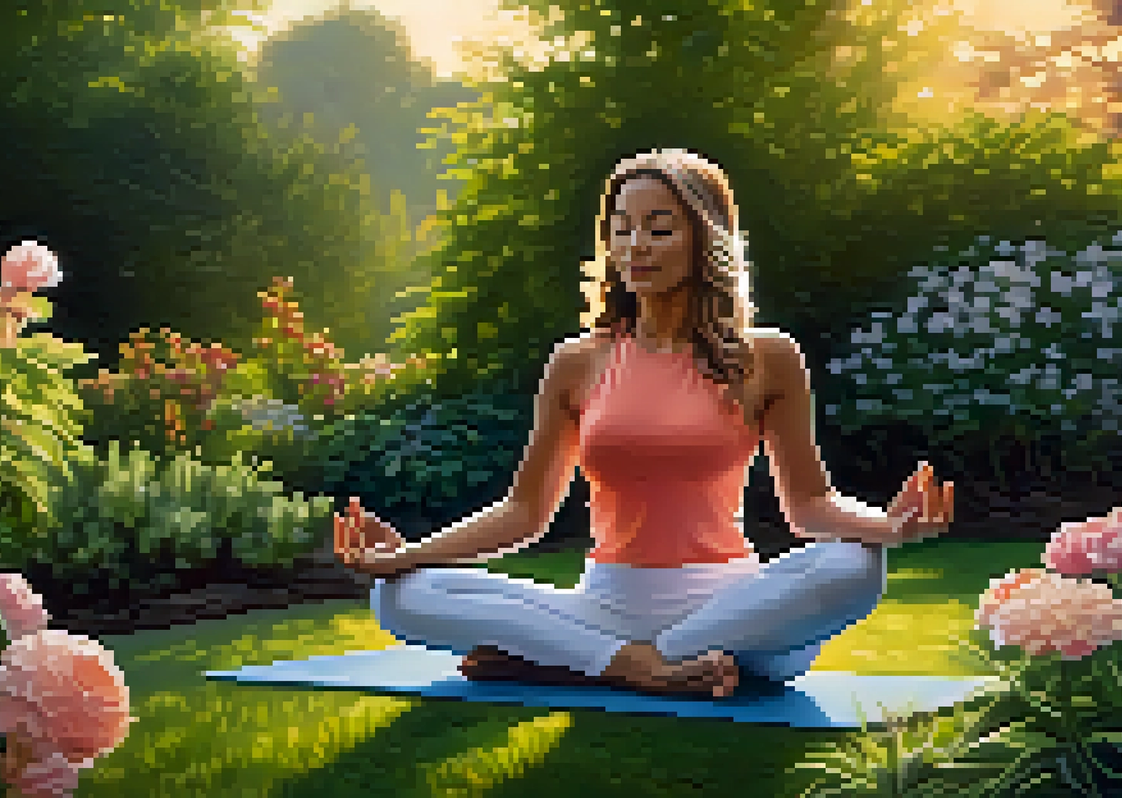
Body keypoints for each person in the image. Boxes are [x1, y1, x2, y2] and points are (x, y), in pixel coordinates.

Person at [333, 148, 953, 700]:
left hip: (742, 615)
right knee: (400, 596)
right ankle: (636, 665)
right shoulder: (579, 361)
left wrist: (888, 527)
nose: (635, 246)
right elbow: (526, 513)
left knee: (855, 566)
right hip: (606, 605)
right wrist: (409, 556)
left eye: (659, 228)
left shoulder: (768, 357)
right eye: (621, 229)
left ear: (704, 240)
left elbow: (809, 504)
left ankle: (587, 666)